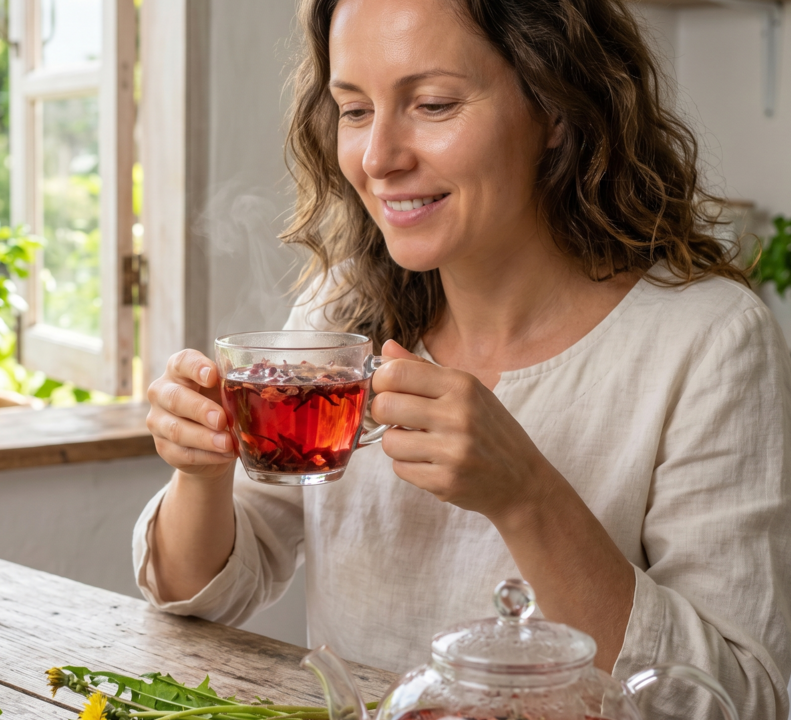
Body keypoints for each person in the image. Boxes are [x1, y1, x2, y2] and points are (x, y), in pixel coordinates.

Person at [133, 0, 791, 717]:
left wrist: (528, 499)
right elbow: (204, 592)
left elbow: (742, 700)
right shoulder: (343, 310)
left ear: (558, 110)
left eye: (433, 104)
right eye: (354, 110)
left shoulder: (709, 342)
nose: (379, 157)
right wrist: (200, 474)